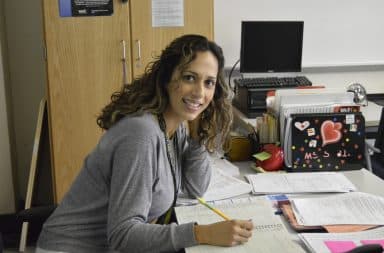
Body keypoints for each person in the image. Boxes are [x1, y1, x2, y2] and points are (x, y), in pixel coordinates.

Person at [36, 34, 253, 253]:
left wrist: (197, 138)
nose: (200, 92)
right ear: (167, 78)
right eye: (189, 78)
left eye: (209, 83)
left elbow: (195, 188)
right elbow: (123, 235)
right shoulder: (142, 135)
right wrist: (203, 233)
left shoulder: (174, 125)